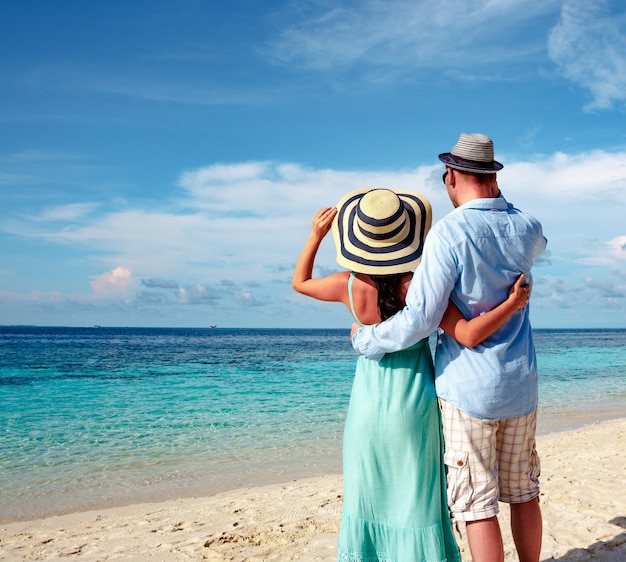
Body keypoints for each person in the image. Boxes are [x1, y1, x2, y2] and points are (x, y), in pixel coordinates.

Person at [293, 187, 530, 562]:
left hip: (368, 407)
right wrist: (511, 302)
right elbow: (466, 331)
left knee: (369, 490)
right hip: (415, 401)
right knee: (418, 492)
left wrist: (315, 236)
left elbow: (300, 282)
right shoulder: (417, 286)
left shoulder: (348, 286)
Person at [351, 134, 547, 562]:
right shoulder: (528, 227)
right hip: (520, 383)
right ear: (492, 177)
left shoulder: (449, 233)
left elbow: (420, 319)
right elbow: (536, 240)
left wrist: (367, 340)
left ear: (452, 176)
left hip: (470, 388)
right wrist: (496, 197)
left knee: (477, 507)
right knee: (524, 492)